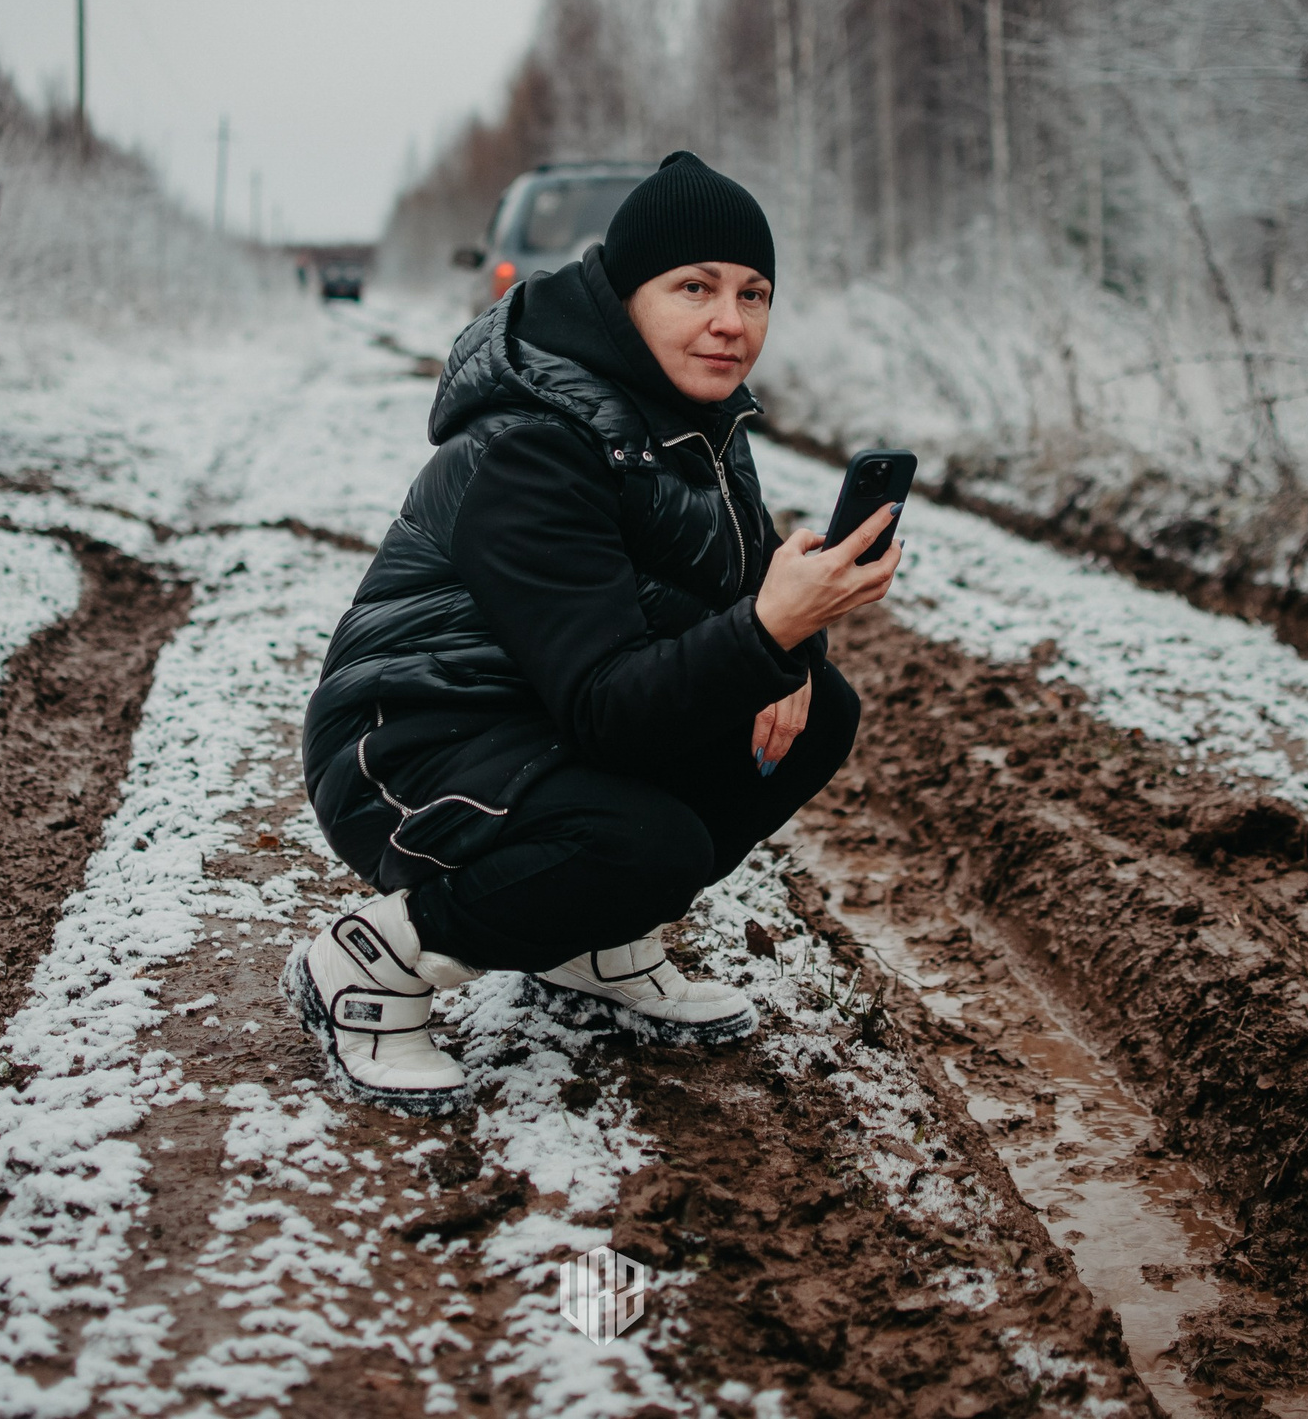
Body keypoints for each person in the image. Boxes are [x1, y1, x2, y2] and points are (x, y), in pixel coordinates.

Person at [291, 151, 903, 1113]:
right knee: (640, 843)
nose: (729, 322)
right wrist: (771, 629)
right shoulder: (534, 441)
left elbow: (735, 605)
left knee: (812, 712)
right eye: (694, 287)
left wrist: (792, 639)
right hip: (410, 742)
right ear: (624, 295)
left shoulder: (698, 420)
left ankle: (595, 950)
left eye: (754, 293)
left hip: (535, 717)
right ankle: (373, 960)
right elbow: (613, 707)